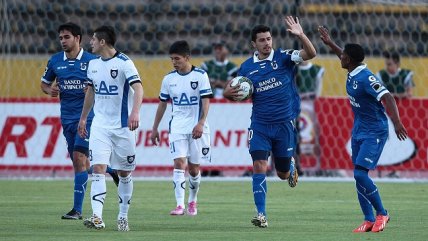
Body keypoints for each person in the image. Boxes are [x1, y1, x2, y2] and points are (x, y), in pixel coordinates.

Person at [223, 16, 317, 228]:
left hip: (284, 125)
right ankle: (261, 214)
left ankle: (289, 165)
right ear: (253, 44)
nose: (267, 43)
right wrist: (229, 93)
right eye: (262, 40)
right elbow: (234, 91)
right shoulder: (246, 68)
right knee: (259, 165)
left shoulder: (284, 57)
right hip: (260, 126)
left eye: (268, 39)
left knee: (282, 174)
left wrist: (301, 35)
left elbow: (311, 54)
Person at [318, 26, 408, 233]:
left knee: (360, 175)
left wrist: (396, 122)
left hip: (375, 131)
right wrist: (330, 43)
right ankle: (368, 219)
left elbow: (388, 97)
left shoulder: (366, 78)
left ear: (348, 60)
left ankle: (382, 213)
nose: (340, 58)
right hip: (359, 129)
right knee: (358, 174)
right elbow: (342, 53)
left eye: (343, 56)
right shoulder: (352, 69)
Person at [40, 22, 118, 221]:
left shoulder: (93, 60)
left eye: (66, 37)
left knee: (78, 159)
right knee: (81, 163)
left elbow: (108, 85)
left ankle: (77, 210)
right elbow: (44, 84)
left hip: (89, 118)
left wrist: (93, 90)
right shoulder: (55, 61)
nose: (63, 41)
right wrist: (50, 90)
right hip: (67, 118)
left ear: (77, 39)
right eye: (60, 38)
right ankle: (110, 170)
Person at [78, 25, 144, 231]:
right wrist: (83, 118)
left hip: (123, 127)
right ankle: (97, 216)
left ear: (103, 42)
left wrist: (135, 112)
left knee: (124, 173)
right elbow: (91, 91)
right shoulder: (93, 65)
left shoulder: (125, 63)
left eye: (93, 39)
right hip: (100, 126)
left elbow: (139, 88)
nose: (90, 42)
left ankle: (123, 216)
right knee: (98, 168)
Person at [151, 40, 213, 216]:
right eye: (172, 59)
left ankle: (192, 200)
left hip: (196, 129)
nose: (174, 62)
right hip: (177, 127)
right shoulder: (168, 79)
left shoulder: (200, 76)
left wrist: (201, 122)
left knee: (194, 169)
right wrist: (155, 128)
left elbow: (206, 101)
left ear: (187, 57)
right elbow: (162, 104)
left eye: (177, 58)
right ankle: (180, 205)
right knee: (179, 163)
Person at [294, 60, 325, 175]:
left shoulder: (317, 69)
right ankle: (299, 164)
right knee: (297, 136)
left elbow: (318, 93)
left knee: (314, 134)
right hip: (296, 106)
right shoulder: (293, 69)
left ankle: (317, 165)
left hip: (312, 107)